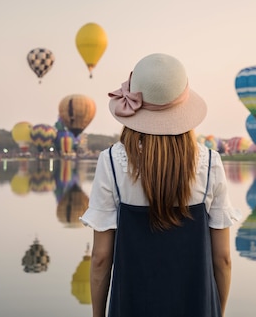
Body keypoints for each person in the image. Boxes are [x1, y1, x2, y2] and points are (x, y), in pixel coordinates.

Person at [80, 53, 240, 317]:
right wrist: (218, 312)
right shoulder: (210, 163)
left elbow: (99, 259)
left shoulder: (111, 161)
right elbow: (222, 259)